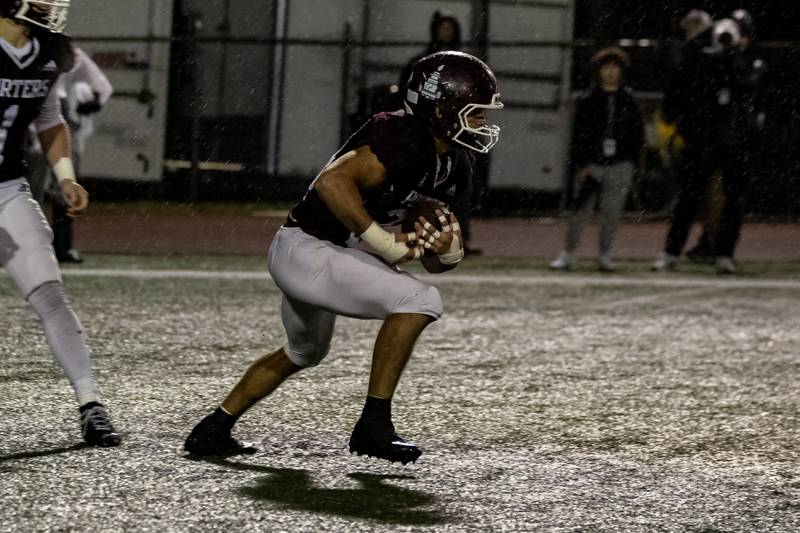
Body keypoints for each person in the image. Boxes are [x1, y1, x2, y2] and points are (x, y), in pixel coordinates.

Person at [184, 51, 503, 464]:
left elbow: (433, 262)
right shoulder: (404, 134)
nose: (483, 123)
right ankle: (373, 426)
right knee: (421, 301)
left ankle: (212, 428)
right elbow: (332, 182)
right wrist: (387, 244)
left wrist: (449, 249)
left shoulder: (455, 164)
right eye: (475, 113)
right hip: (308, 247)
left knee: (305, 352)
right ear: (441, 107)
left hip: (332, 253)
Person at [0, 1, 120, 446]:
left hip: (7, 187)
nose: (53, 3)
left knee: (50, 293)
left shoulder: (47, 52)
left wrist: (66, 177)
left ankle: (91, 404)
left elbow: (50, 121)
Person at [653, 9, 766, 274]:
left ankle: (724, 253)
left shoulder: (751, 61)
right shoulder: (704, 59)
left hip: (736, 142)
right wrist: (706, 46)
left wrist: (732, 53)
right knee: (689, 199)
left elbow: (746, 83)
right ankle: (671, 252)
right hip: (704, 140)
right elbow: (686, 79)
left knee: (734, 200)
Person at [550, 47, 644, 272]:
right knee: (579, 211)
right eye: (606, 67)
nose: (610, 72)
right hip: (592, 163)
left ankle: (605, 255)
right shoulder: (588, 99)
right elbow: (578, 135)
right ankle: (568, 253)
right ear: (598, 71)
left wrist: (630, 160)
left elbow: (637, 134)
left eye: (615, 67)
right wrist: (581, 164)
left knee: (611, 213)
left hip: (620, 164)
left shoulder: (628, 100)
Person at [28, 46, 113, 263]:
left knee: (59, 188)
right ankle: (33, 247)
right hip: (33, 118)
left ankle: (60, 246)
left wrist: (89, 104)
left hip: (53, 116)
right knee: (28, 189)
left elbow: (101, 88)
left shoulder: (63, 51)